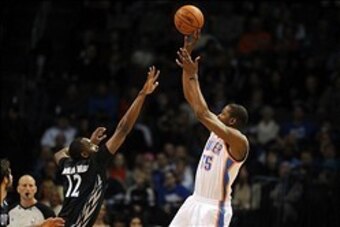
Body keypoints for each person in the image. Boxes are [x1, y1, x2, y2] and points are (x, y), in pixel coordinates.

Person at [54, 66, 160, 226]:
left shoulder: (67, 164)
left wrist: (88, 145)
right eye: (89, 144)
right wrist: (142, 95)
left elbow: (58, 154)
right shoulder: (95, 161)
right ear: (84, 154)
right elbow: (123, 129)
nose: (94, 144)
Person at [170, 31, 249, 226]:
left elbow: (202, 113)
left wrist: (194, 75)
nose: (218, 115)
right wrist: (187, 59)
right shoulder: (218, 128)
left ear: (232, 122)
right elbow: (191, 99)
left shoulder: (239, 141)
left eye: (223, 114)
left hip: (214, 208)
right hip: (195, 200)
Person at [0, 159, 65, 227]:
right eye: (24, 185)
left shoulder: (5, 206)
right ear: (5, 179)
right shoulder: (10, 209)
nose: (27, 189)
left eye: (31, 186)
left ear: (36, 189)